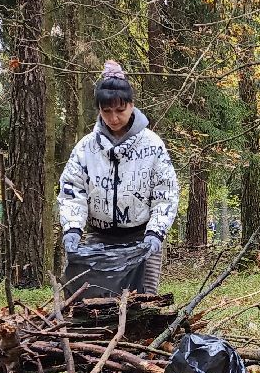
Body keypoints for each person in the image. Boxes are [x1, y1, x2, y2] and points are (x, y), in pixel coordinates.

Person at [59, 61, 179, 293]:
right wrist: (72, 229)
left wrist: (156, 232)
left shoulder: (152, 145)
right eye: (106, 111)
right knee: (93, 303)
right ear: (99, 110)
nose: (113, 118)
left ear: (131, 105)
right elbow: (72, 190)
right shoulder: (85, 148)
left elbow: (165, 192)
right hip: (99, 240)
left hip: (142, 240)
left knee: (143, 304)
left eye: (120, 110)